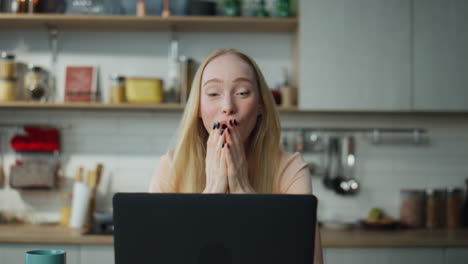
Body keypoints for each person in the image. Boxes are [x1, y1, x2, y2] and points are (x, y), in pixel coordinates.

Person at [149, 49, 323, 263]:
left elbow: (309, 260)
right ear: (198, 109)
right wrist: (210, 194)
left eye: (242, 93)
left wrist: (243, 190)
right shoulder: (171, 166)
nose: (228, 107)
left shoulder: (290, 168)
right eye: (213, 94)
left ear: (260, 106)